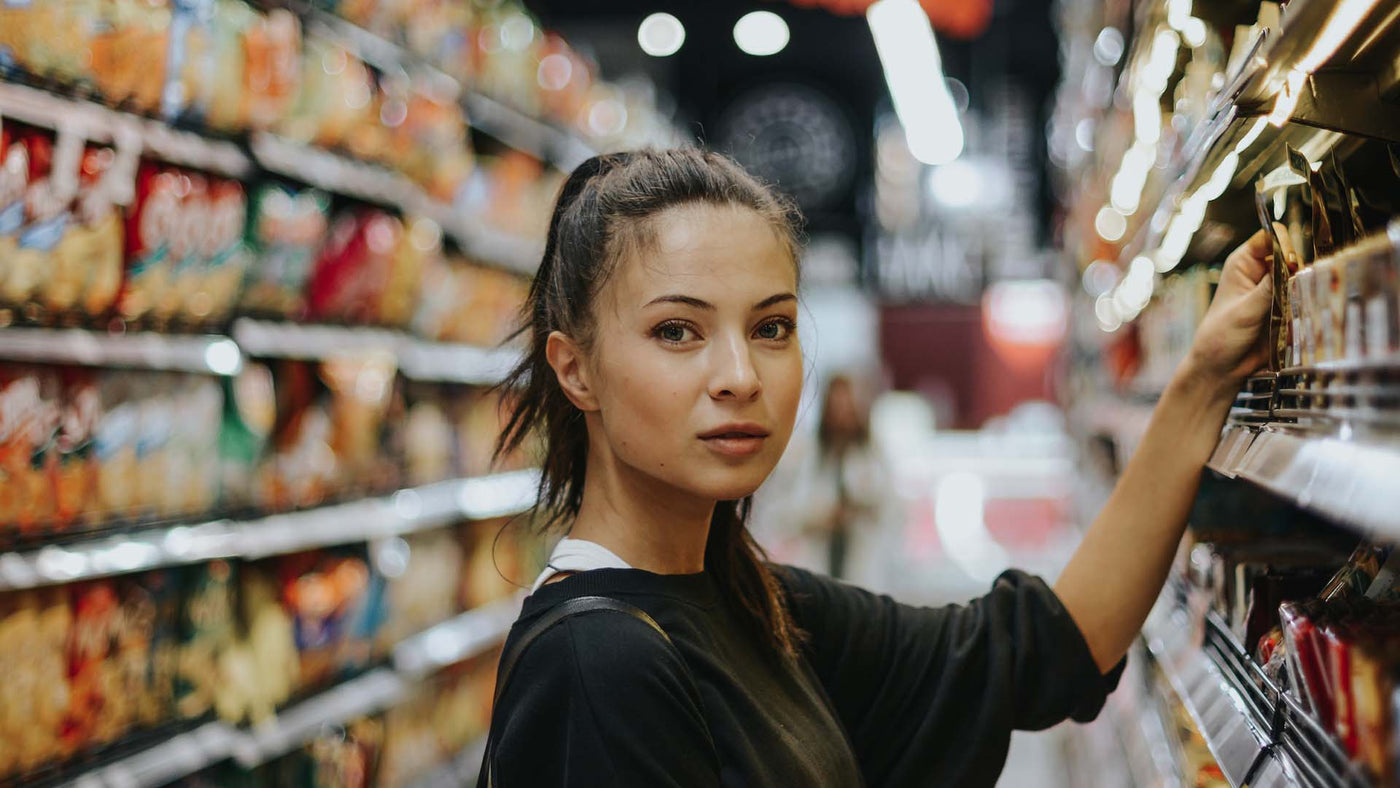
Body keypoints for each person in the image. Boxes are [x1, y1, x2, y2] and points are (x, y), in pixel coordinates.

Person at [482, 148, 1272, 786]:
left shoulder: (753, 603)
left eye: (772, 327)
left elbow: (1042, 649)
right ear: (574, 368)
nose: (740, 376)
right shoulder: (598, 666)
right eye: (678, 332)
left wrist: (1204, 379)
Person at [752, 373, 898, 584]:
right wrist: (820, 516)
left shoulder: (873, 456)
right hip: (816, 563)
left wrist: (860, 509)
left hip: (863, 565)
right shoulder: (806, 456)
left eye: (848, 406)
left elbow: (892, 511)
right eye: (837, 406)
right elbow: (778, 514)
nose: (843, 415)